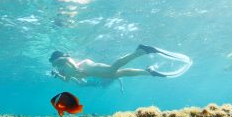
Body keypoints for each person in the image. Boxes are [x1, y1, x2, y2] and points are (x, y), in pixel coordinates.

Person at [49, 44, 192, 85]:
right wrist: (57, 76)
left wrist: (76, 68)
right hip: (89, 70)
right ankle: (149, 71)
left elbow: (67, 59)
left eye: (54, 67)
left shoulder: (60, 62)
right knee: (117, 74)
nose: (54, 67)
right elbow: (67, 80)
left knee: (113, 69)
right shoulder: (62, 72)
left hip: (87, 66)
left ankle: (140, 51)